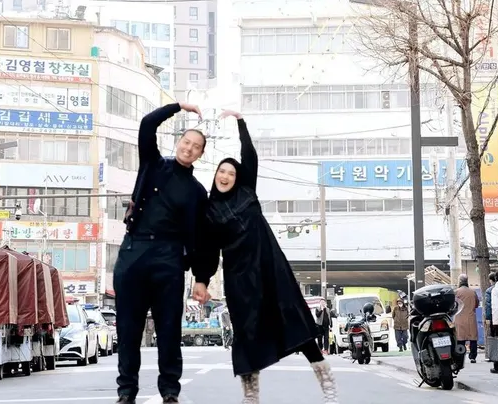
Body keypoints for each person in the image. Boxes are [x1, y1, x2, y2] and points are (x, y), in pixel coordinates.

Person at [193, 110, 339, 404]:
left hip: (271, 268)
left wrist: (240, 123)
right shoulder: (210, 211)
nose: (226, 176)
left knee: (295, 321)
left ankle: (328, 387)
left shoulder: (248, 191)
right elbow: (207, 251)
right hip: (240, 279)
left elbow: (250, 157)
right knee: (247, 334)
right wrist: (202, 280)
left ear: (238, 178)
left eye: (231, 173)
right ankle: (251, 397)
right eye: (222, 171)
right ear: (216, 175)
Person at [114, 102, 209, 404]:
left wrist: (201, 277)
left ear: (200, 154)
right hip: (134, 249)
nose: (189, 149)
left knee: (169, 329)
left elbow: (199, 238)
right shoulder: (153, 163)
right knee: (128, 329)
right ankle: (126, 392)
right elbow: (146, 124)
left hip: (169, 257)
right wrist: (178, 106)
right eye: (186, 142)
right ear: (179, 142)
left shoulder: (197, 191)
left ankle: (170, 391)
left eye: (196, 147)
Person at [454, 274, 479, 363]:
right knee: (473, 338)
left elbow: (453, 305)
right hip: (471, 317)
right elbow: (476, 304)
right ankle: (473, 356)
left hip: (459, 317)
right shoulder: (473, 292)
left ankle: (460, 355)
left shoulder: (456, 292)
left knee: (460, 338)